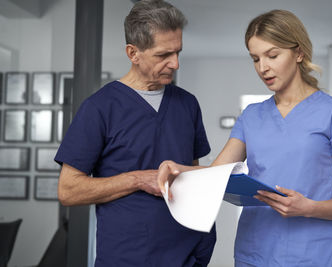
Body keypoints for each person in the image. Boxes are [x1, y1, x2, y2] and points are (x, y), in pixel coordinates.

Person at [158, 9, 332, 267]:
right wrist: (181, 169)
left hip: (314, 256)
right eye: (255, 59)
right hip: (253, 254)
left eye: (272, 55)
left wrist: (308, 207)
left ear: (299, 53)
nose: (263, 67)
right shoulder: (251, 116)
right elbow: (215, 175)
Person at [54, 0, 216, 266]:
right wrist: (137, 180)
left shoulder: (188, 104)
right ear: (133, 53)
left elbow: (192, 174)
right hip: (126, 257)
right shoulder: (99, 108)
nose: (175, 64)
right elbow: (68, 191)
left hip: (188, 256)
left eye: (178, 52)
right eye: (164, 55)